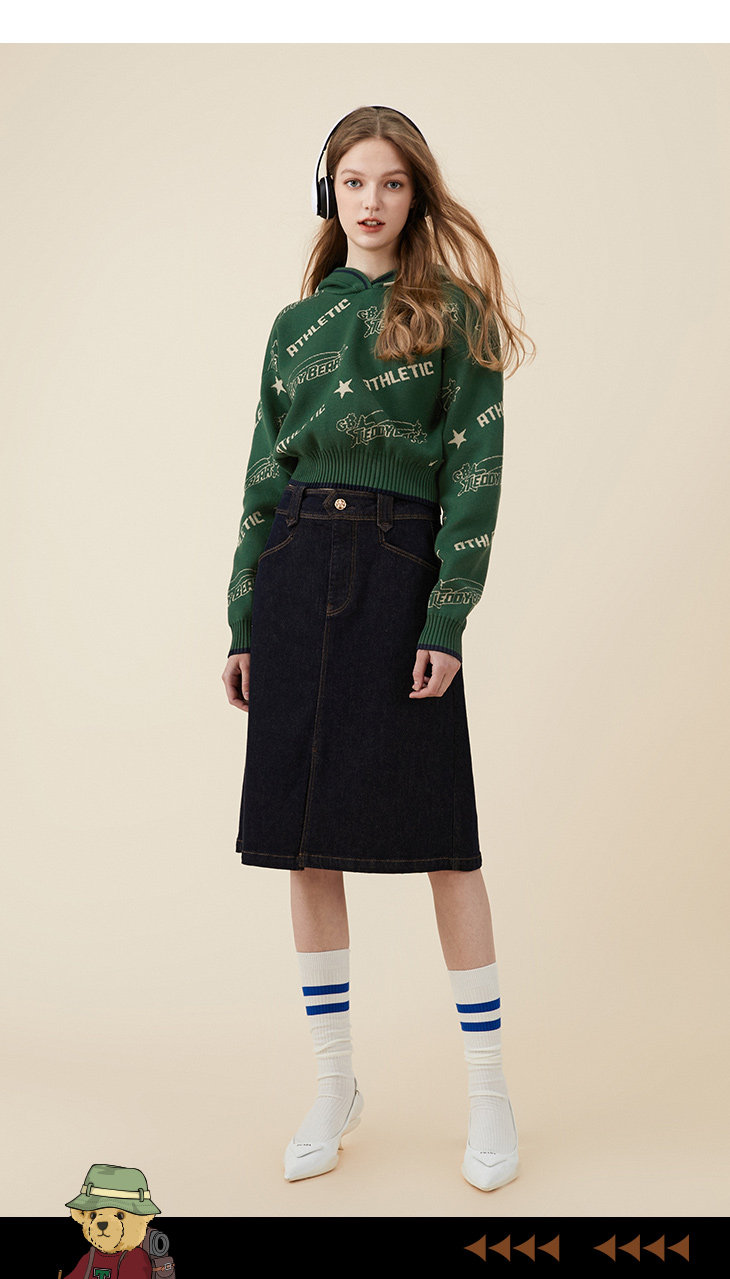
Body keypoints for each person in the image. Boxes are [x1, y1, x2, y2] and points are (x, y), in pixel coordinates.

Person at [221, 105, 534, 1192]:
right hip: (297, 563)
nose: (371, 200)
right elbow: (262, 476)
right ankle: (333, 1082)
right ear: (330, 193)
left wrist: (446, 617)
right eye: (353, 181)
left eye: (391, 182)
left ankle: (488, 1091)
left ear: (416, 195)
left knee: (447, 843)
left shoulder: (455, 316)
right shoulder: (295, 325)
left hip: (399, 569)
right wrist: (241, 618)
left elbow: (475, 478)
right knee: (305, 843)